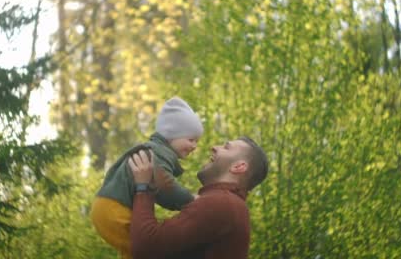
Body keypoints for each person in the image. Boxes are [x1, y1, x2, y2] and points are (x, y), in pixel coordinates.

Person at [90, 97, 204, 259]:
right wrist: (190, 200)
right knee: (146, 249)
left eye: (196, 142)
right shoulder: (158, 153)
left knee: (133, 250)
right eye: (191, 140)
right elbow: (165, 185)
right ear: (171, 136)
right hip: (115, 209)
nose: (194, 146)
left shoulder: (155, 151)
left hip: (106, 207)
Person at [128, 136, 269, 259]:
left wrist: (143, 187)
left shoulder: (222, 203)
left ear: (239, 167)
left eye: (226, 147)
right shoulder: (230, 205)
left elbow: (146, 248)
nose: (214, 147)